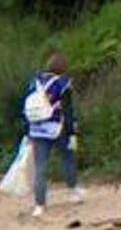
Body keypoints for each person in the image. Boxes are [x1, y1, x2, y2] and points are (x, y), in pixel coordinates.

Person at [24, 52, 81, 216]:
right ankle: (73, 192)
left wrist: (27, 130)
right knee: (67, 157)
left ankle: (39, 205)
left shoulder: (35, 82)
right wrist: (72, 132)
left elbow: (28, 106)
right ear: (63, 68)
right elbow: (68, 110)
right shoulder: (63, 83)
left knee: (40, 166)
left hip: (36, 129)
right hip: (57, 127)